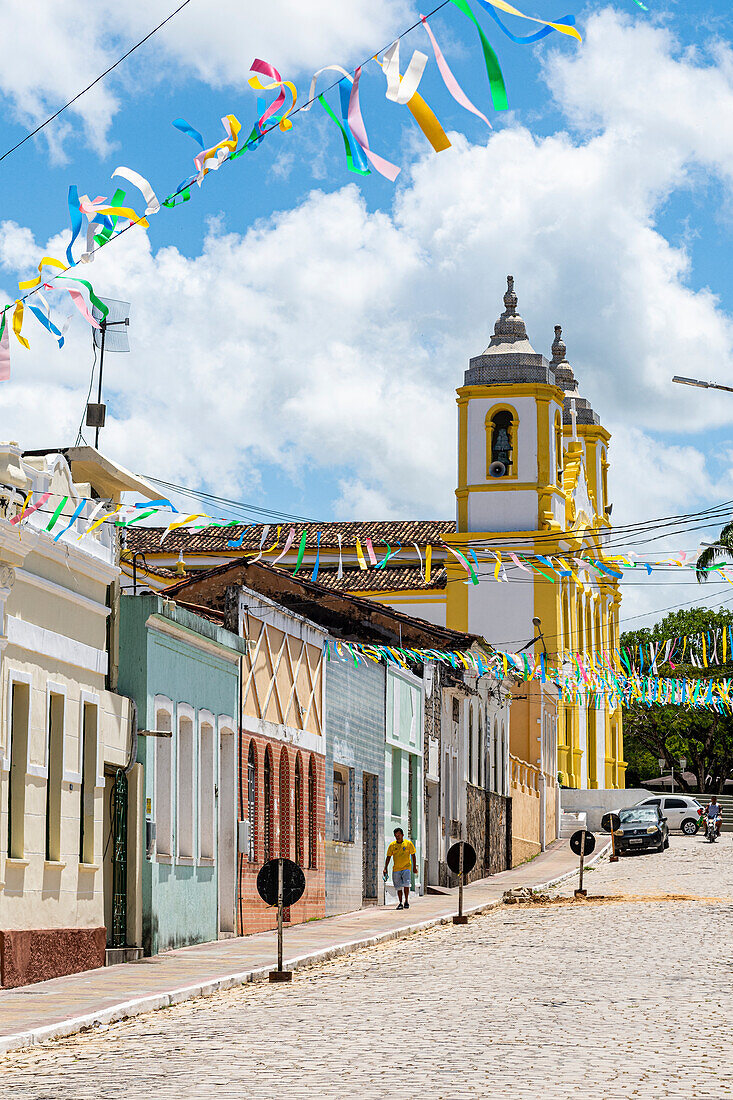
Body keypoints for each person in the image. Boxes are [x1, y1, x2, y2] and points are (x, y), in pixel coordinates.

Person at [384, 827, 417, 910]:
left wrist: (414, 867)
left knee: (406, 884)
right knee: (398, 887)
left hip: (406, 868)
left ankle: (406, 901)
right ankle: (400, 902)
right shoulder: (392, 845)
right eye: (396, 835)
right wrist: (385, 868)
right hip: (396, 869)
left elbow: (413, 855)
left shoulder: (408, 844)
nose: (397, 837)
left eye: (399, 835)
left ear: (403, 835)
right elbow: (388, 857)